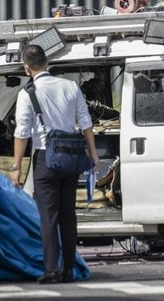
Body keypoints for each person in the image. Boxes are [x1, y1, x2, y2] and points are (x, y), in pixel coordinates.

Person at [11, 45, 100, 284]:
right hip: (71, 158)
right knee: (68, 215)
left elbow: (22, 132)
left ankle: (51, 270)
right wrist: (93, 154)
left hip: (45, 160)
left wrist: (16, 167)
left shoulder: (27, 93)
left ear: (26, 68)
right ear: (47, 61)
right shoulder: (70, 86)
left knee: (48, 216)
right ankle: (69, 269)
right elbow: (85, 121)